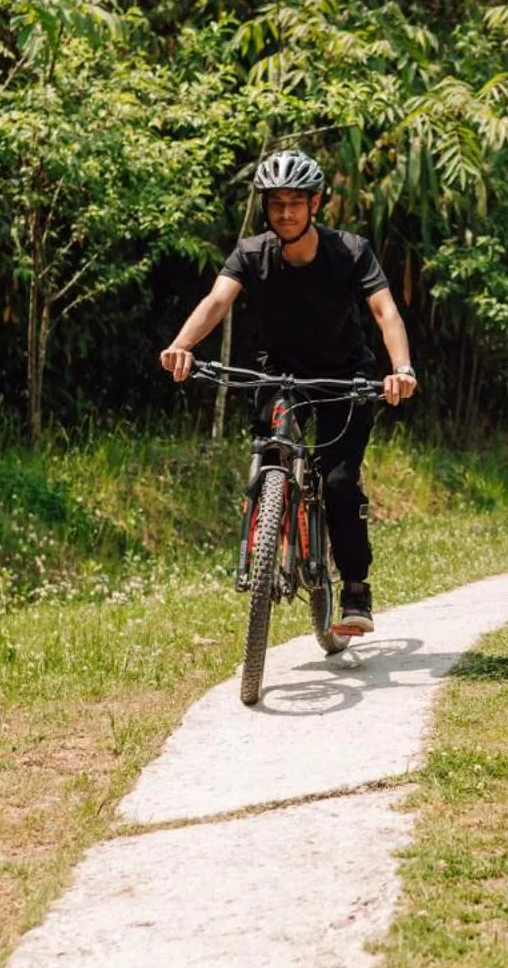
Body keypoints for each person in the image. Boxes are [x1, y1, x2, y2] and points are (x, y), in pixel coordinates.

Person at [160, 150, 417, 635]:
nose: (285, 214)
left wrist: (400, 368)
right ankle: (271, 529)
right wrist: (181, 346)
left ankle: (355, 590)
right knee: (271, 453)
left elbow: (386, 313)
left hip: (346, 378)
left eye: (295, 203)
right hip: (281, 374)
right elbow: (216, 301)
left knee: (339, 481)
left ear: (315, 203)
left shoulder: (351, 251)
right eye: (276, 204)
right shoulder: (252, 253)